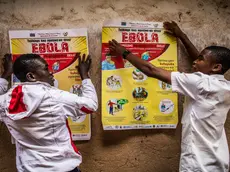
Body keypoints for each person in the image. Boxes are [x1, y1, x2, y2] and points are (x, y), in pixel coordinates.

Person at [108, 21, 230, 172]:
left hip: (198, 164)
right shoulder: (224, 86)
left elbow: (151, 69)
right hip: (219, 160)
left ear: (216, 67)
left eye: (200, 59)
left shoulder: (200, 83)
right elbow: (205, 66)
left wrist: (124, 52)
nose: (195, 61)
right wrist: (182, 36)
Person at [0, 53, 98, 172]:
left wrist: (6, 74)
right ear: (31, 76)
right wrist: (85, 76)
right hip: (62, 167)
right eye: (46, 68)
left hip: (29, 167)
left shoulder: (5, 101)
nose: (51, 72)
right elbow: (90, 105)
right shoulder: (55, 97)